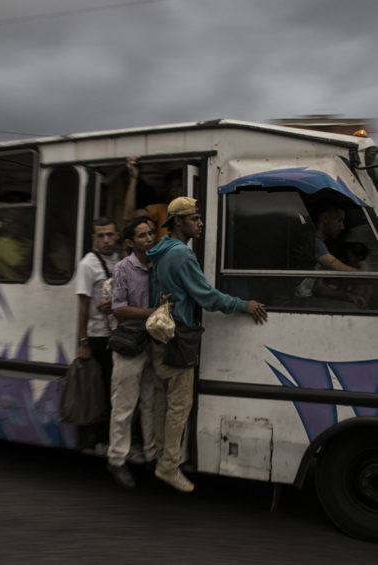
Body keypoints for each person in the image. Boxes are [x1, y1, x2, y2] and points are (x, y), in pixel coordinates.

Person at [146, 197, 268, 493]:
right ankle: (168, 466)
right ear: (178, 222)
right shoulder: (183, 256)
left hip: (159, 335)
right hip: (178, 337)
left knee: (162, 401)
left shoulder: (160, 251)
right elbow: (208, 297)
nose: (200, 223)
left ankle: (161, 455)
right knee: (179, 405)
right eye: (194, 218)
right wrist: (243, 304)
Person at [107, 217, 158, 489]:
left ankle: (151, 456)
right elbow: (118, 307)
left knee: (150, 401)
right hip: (129, 343)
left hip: (153, 343)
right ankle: (116, 459)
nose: (149, 238)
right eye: (142, 235)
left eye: (151, 233)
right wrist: (151, 313)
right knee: (125, 406)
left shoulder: (158, 264)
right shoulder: (124, 268)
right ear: (130, 242)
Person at [75, 217, 120, 447]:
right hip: (97, 336)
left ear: (117, 235)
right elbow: (83, 305)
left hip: (117, 334)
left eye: (110, 234)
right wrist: (83, 342)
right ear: (94, 238)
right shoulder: (88, 264)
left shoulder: (121, 259)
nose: (106, 239)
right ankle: (99, 439)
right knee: (100, 391)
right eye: (101, 235)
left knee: (115, 391)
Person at [123, 157, 183, 240]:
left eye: (179, 185)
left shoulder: (196, 211)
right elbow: (129, 216)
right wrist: (133, 179)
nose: (175, 190)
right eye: (172, 186)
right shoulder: (161, 210)